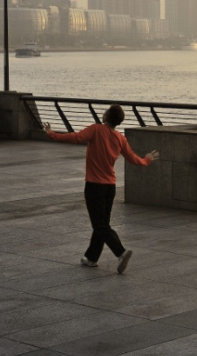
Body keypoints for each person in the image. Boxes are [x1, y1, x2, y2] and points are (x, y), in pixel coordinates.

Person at [43, 104, 158, 274]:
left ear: (106, 117)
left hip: (94, 186)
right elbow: (133, 159)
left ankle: (121, 252)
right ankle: (91, 258)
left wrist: (52, 134)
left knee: (100, 225)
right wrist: (147, 160)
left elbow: (75, 138)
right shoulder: (120, 138)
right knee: (101, 224)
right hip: (109, 187)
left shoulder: (96, 130)